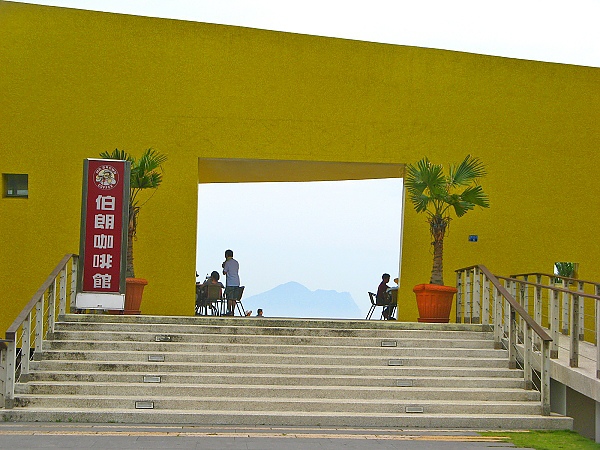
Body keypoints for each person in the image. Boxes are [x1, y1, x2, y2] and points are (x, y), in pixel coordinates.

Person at [222, 249, 240, 315]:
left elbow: (224, 272)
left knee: (229, 298)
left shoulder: (227, 263)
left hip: (230, 282)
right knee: (234, 298)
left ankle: (229, 311)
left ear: (226, 255)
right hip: (237, 282)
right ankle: (232, 311)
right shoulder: (236, 262)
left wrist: (224, 265)